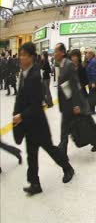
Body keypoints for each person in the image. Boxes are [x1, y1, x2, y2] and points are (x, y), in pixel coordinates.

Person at [13, 42, 74, 195]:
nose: (21, 58)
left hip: (38, 124)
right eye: (20, 54)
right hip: (28, 124)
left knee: (51, 149)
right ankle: (35, 184)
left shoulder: (34, 75)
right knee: (31, 155)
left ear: (31, 57)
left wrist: (21, 115)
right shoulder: (24, 72)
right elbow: (20, 98)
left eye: (24, 55)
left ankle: (68, 168)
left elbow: (36, 104)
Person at [55, 43, 96, 155]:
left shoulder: (68, 65)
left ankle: (95, 141)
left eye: (56, 51)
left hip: (74, 103)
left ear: (62, 52)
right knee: (66, 127)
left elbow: (75, 85)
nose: (54, 54)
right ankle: (62, 148)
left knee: (82, 125)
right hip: (66, 102)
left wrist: (76, 104)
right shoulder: (59, 64)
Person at [85, 50, 96, 114]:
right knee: (91, 95)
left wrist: (93, 82)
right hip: (90, 81)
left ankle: (92, 110)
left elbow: (93, 73)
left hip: (92, 81)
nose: (86, 55)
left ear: (90, 54)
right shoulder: (91, 61)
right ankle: (91, 109)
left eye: (87, 53)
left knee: (92, 96)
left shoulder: (93, 62)